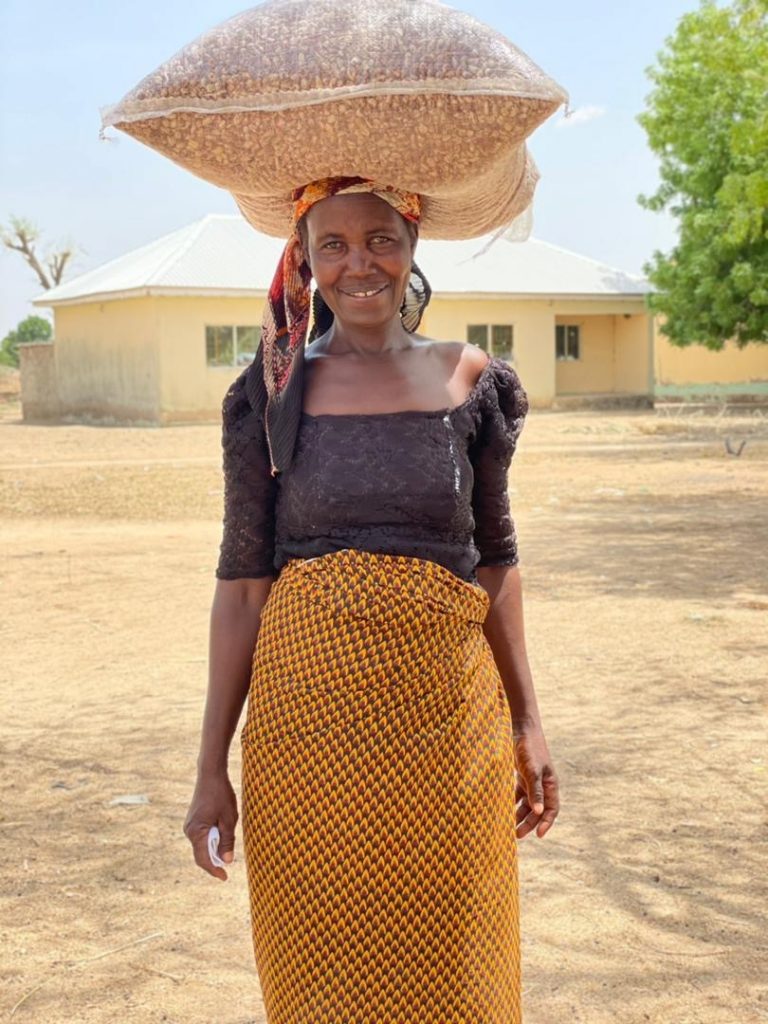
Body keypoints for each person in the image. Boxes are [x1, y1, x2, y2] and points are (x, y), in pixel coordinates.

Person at [183, 176, 560, 1023]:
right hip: (305, 741)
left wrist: (527, 721)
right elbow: (243, 587)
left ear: (413, 247)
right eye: (335, 245)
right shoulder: (271, 395)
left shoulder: (473, 382)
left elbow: (495, 563)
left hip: (446, 740)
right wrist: (211, 769)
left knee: (457, 971)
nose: (361, 263)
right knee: (321, 978)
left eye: (382, 238)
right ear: (306, 262)